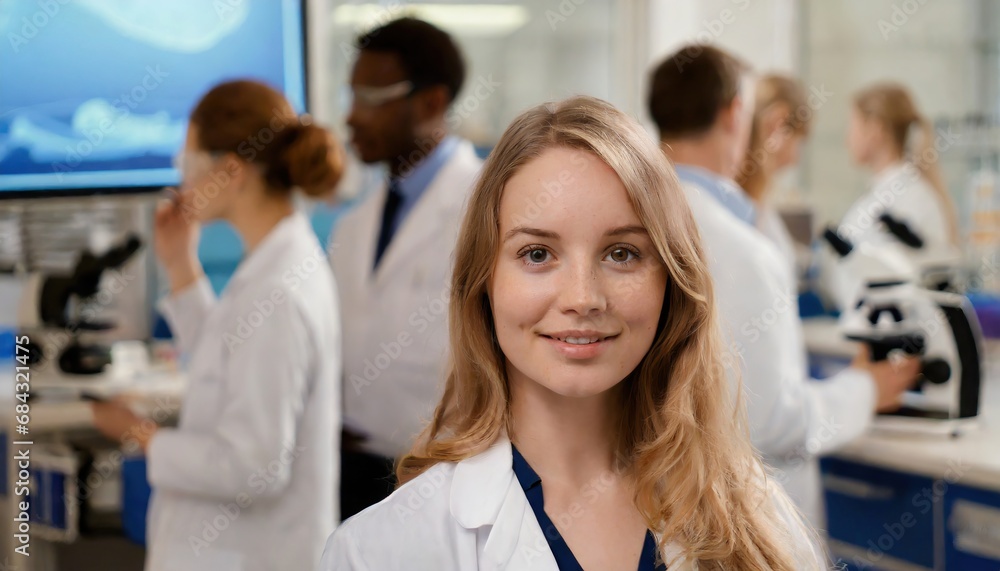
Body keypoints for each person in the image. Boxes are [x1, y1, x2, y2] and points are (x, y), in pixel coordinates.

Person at [320, 96, 826, 570]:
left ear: (672, 282)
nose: (583, 297)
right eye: (537, 254)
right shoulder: (381, 550)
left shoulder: (760, 523)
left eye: (622, 253)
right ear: (483, 283)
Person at [647, 45, 920, 528]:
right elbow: (775, 425)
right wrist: (864, 388)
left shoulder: (634, 221)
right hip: (741, 524)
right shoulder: (739, 248)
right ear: (735, 114)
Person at [90, 80, 344, 571]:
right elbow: (231, 352)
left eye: (187, 164)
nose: (179, 181)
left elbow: (255, 469)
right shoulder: (276, 265)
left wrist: (141, 434)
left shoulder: (278, 292)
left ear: (230, 170)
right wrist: (181, 267)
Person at [329, 17, 482, 519]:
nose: (352, 118)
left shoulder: (486, 210)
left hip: (443, 477)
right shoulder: (353, 225)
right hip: (350, 471)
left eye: (372, 99)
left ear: (432, 103)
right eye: (352, 97)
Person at [838, 82, 959, 285]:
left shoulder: (909, 199)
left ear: (875, 129)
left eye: (853, 127)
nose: (847, 139)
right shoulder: (887, 192)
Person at [735, 74, 811, 282]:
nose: (795, 160)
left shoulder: (752, 203)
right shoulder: (743, 209)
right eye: (799, 142)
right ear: (779, 123)